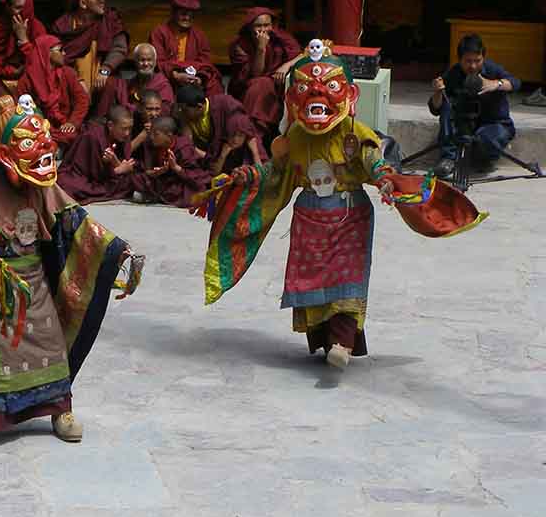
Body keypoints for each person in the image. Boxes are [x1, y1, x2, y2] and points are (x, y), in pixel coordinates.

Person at [202, 48, 486, 371]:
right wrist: (249, 175)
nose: (317, 94)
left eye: (329, 87)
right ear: (292, 99)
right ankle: (327, 342)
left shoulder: (355, 135)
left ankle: (343, 342)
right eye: (307, 89)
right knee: (316, 286)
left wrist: (384, 179)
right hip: (309, 219)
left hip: (349, 217)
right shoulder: (295, 136)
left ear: (350, 95)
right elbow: (278, 174)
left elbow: (372, 162)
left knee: (347, 281)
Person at [0, 95, 143, 442]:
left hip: (34, 283)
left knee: (49, 342)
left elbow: (75, 220)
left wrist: (114, 248)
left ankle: (59, 409)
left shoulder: (43, 186)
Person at [429, 33, 519, 178]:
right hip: (465, 124)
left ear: (483, 57)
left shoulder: (492, 69)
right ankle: (448, 158)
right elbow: (435, 109)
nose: (473, 66)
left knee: (487, 142)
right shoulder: (454, 73)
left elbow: (515, 83)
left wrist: (496, 84)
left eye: (477, 61)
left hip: (494, 124)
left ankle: (483, 158)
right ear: (460, 60)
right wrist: (438, 93)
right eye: (467, 61)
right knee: (447, 103)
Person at [228, 7, 301, 142]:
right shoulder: (239, 45)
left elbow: (302, 55)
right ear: (250, 27)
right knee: (260, 84)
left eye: (266, 25)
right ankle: (252, 137)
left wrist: (286, 66)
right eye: (258, 26)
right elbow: (256, 74)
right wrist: (261, 49)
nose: (263, 30)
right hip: (249, 89)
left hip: (278, 87)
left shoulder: (282, 38)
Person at [51, 0, 128, 93]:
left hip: (102, 76)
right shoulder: (63, 26)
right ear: (83, 3)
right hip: (72, 76)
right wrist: (75, 79)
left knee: (111, 85)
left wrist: (105, 70)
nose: (102, 1)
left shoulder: (109, 19)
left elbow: (120, 48)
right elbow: (55, 57)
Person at [15, 34, 89, 148]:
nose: (64, 54)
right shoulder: (26, 81)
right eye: (60, 50)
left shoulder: (67, 73)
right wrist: (44, 128)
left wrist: (72, 122)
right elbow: (23, 112)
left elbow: (82, 100)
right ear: (47, 53)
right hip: (40, 128)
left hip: (66, 126)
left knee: (79, 136)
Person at [175, 84, 265, 175]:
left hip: (233, 151)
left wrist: (256, 157)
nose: (180, 111)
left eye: (184, 109)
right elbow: (189, 146)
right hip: (212, 157)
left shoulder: (224, 104)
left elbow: (245, 129)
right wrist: (212, 157)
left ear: (200, 107)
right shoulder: (186, 116)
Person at [57, 104, 136, 204]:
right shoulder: (93, 137)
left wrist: (116, 163)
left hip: (103, 179)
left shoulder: (123, 137)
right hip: (80, 176)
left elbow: (126, 165)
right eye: (124, 128)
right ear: (110, 125)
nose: (127, 133)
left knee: (131, 181)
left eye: (130, 128)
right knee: (67, 184)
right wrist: (117, 170)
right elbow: (94, 173)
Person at [149, 0, 224, 98]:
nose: (187, 18)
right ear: (173, 14)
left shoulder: (199, 35)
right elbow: (158, 61)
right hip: (169, 75)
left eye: (191, 15)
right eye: (183, 14)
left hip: (194, 76)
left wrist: (200, 77)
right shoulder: (159, 32)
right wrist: (176, 75)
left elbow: (205, 61)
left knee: (214, 83)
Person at [128, 115, 211, 207]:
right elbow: (147, 170)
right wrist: (158, 172)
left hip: (179, 182)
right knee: (136, 176)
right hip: (161, 180)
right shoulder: (151, 144)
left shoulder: (184, 147)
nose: (151, 137)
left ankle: (154, 196)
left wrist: (176, 167)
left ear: (169, 135)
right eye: (150, 134)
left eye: (156, 134)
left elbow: (196, 175)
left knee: (194, 191)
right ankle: (156, 195)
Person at [0, 0, 46, 81]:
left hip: (31, 76)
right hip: (2, 77)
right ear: (8, 8)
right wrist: (6, 72)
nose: (23, 11)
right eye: (18, 8)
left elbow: (42, 62)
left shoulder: (37, 27)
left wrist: (23, 39)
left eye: (26, 7)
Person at [94, 42, 174, 119]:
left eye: (149, 60)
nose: (146, 64)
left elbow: (163, 112)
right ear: (135, 62)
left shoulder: (162, 84)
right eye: (142, 60)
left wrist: (132, 109)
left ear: (155, 62)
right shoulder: (129, 83)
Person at [128, 89, 165, 160]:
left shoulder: (163, 122)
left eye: (157, 109)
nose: (153, 114)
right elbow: (124, 153)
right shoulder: (130, 121)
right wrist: (144, 133)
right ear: (140, 108)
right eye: (149, 109)